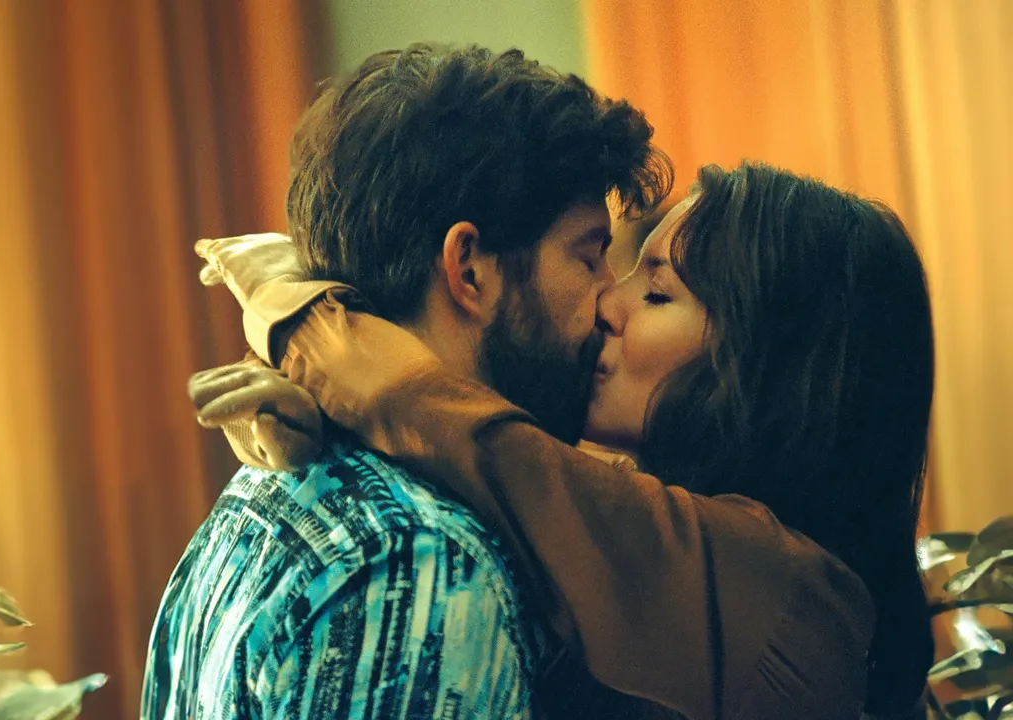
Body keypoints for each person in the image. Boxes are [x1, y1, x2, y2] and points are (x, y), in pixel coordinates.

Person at [191, 162, 936, 719]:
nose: (608, 302)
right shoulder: (634, 512)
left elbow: (453, 426)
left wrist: (296, 306)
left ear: (768, 367)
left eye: (657, 293)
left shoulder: (790, 595)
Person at [142, 43, 671, 719]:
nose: (610, 299)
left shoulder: (260, 493)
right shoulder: (418, 564)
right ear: (469, 270)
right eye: (589, 257)